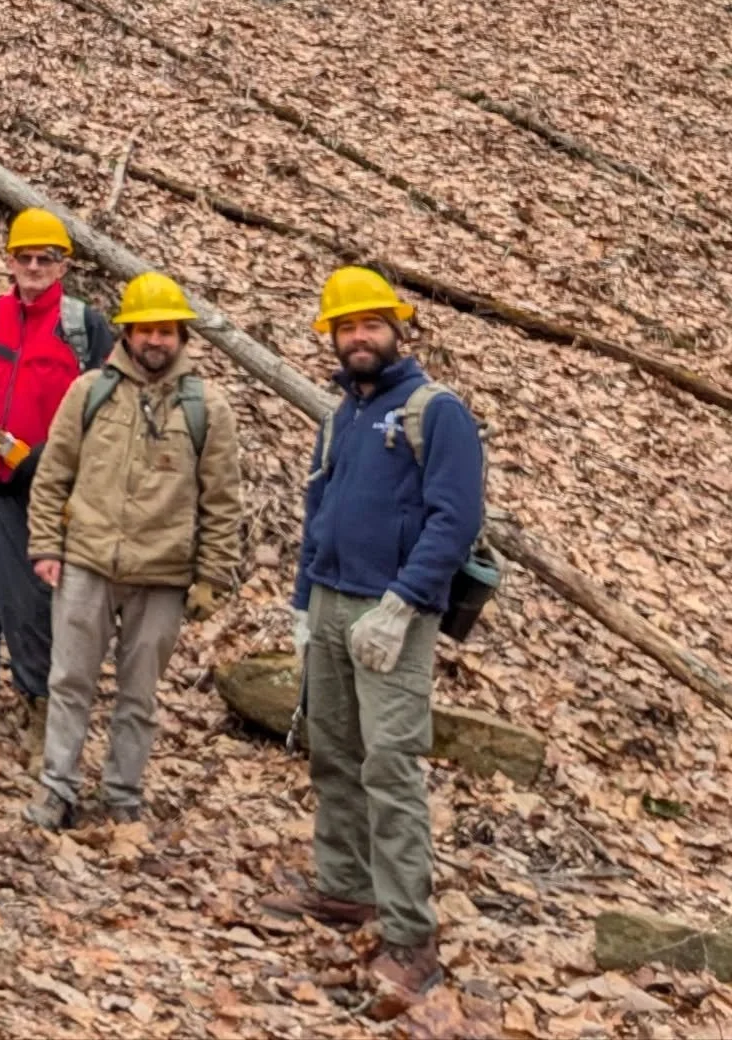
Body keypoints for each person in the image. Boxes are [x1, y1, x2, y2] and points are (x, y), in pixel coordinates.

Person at [261, 267, 485, 996]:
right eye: (345, 326)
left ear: (397, 328)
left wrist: (403, 604)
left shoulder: (434, 411)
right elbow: (318, 510)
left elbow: (455, 519)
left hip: (394, 613)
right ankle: (343, 884)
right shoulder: (342, 415)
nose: (358, 337)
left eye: (370, 325)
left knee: (389, 769)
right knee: (333, 751)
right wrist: (302, 604)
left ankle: (411, 938)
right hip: (329, 602)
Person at [21, 273, 242, 830]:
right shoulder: (89, 391)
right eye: (145, 329)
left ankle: (122, 794)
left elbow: (222, 501)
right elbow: (53, 475)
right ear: (126, 332)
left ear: (182, 336)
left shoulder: (208, 409)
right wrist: (46, 545)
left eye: (165, 330)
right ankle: (56, 788)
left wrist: (211, 577)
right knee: (69, 682)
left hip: (164, 574)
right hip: (87, 561)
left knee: (138, 696)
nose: (155, 340)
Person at [0, 208, 112, 770]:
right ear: (9, 260)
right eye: (24, 257)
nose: (33, 266)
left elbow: (108, 407)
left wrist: (59, 465)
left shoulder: (84, 328)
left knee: (29, 607)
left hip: (38, 493)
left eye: (45, 259)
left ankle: (40, 719)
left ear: (62, 265)